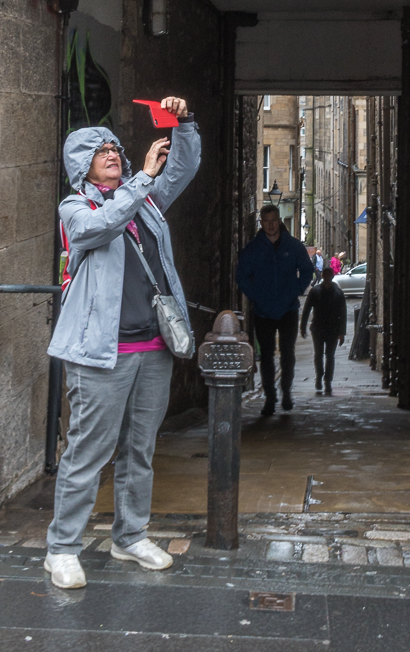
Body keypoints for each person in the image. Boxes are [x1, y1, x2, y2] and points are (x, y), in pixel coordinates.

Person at [44, 96, 199, 591]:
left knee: (140, 449)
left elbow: (185, 165)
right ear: (81, 166)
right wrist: (141, 181)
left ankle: (129, 536)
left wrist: (184, 121)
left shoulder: (146, 201)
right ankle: (62, 548)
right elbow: (100, 226)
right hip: (99, 354)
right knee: (88, 452)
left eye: (114, 147)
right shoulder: (76, 207)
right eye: (99, 150)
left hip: (152, 348)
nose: (111, 152)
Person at [237, 204, 314, 416]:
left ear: (279, 220)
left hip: (288, 308)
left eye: (273, 220)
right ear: (261, 222)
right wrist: (256, 296)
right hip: (263, 310)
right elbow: (242, 277)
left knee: (288, 353)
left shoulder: (293, 246)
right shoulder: (253, 249)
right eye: (266, 221)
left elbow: (307, 270)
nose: (270, 225)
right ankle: (270, 397)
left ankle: (286, 392)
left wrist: (296, 290)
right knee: (267, 355)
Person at [300, 267, 347, 396]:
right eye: (325, 275)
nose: (327, 278)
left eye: (328, 275)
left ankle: (327, 380)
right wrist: (303, 326)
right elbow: (307, 309)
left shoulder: (338, 293)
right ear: (323, 276)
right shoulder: (315, 292)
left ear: (331, 277)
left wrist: (342, 332)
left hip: (333, 329)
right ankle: (319, 376)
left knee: (330, 356)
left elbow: (343, 314)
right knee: (318, 355)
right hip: (318, 328)